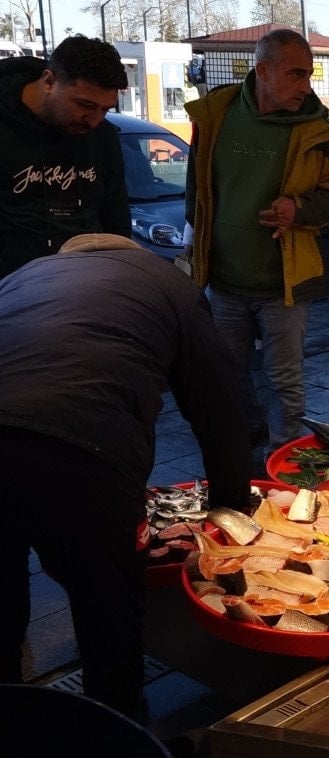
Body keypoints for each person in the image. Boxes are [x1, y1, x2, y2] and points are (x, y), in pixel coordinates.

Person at [0, 233, 251, 720]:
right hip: (85, 447)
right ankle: (117, 731)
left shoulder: (21, 277)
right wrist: (231, 512)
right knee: (108, 611)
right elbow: (221, 411)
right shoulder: (169, 283)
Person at [184, 28, 329, 468]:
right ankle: (243, 455)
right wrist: (195, 244)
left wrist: (299, 207)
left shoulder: (319, 131)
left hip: (285, 284)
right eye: (296, 74)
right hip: (223, 281)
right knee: (227, 379)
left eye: (309, 75)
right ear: (262, 70)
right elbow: (197, 191)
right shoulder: (217, 115)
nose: (305, 86)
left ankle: (284, 463)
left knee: (285, 381)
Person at [0, 35, 130, 279]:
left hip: (86, 286)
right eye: (85, 105)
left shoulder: (103, 136)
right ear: (49, 82)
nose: (95, 120)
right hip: (11, 292)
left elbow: (116, 220)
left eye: (105, 109)